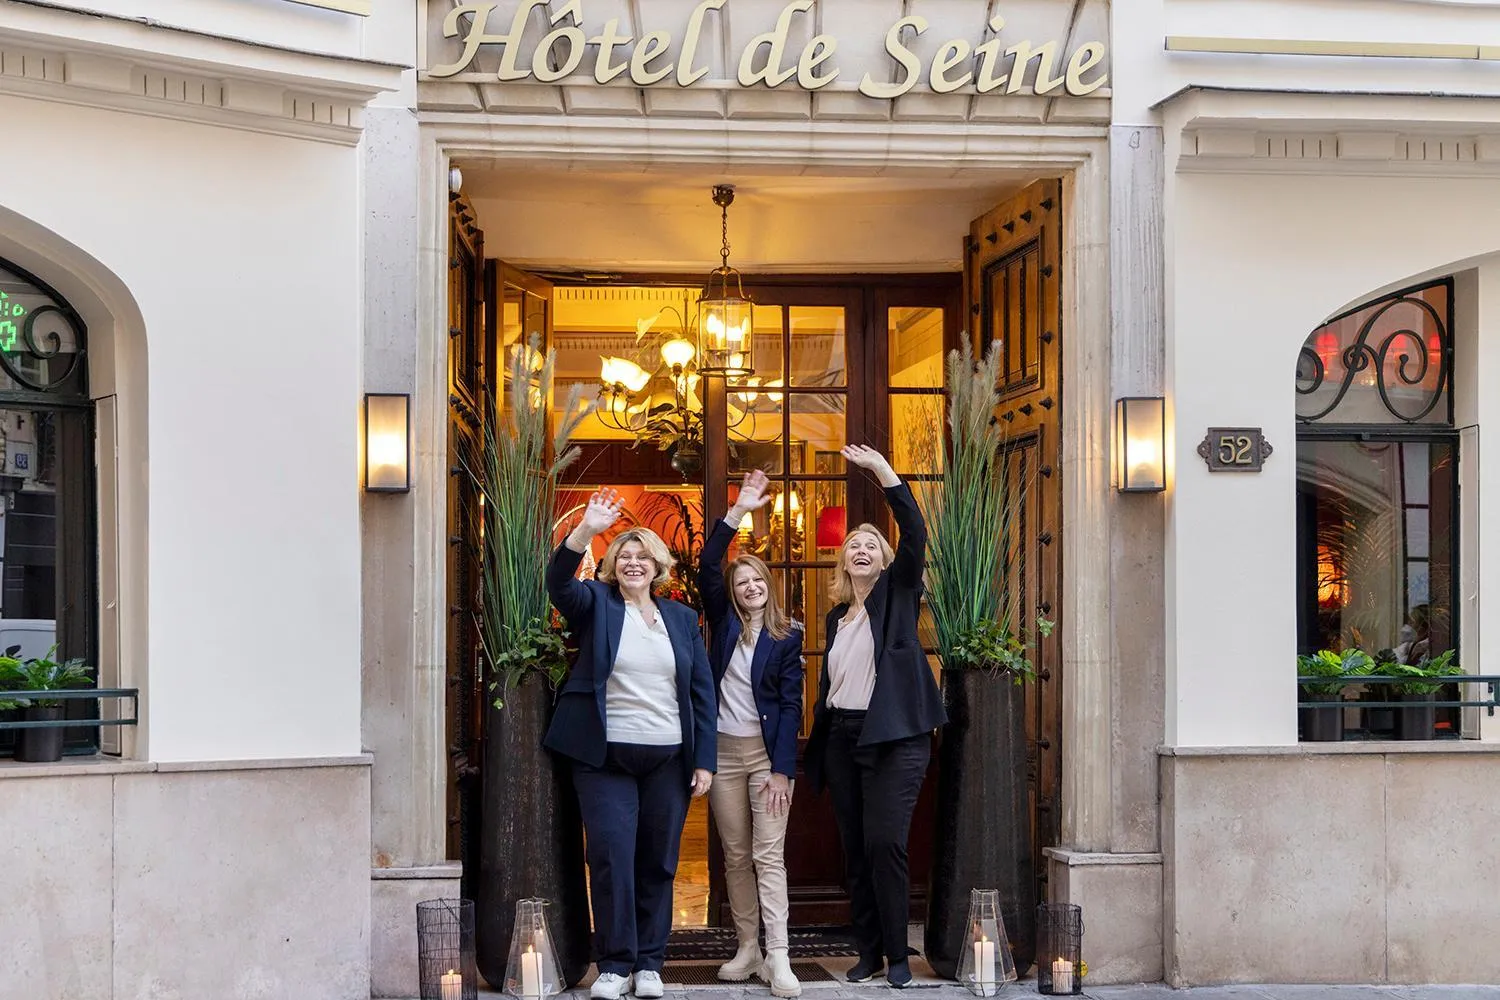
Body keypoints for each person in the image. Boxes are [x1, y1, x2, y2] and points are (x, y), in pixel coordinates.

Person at [544, 490, 718, 1000]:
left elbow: (701, 694)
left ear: (657, 565)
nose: (634, 563)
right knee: (612, 856)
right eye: (625, 555)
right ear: (613, 567)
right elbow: (559, 585)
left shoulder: (683, 619)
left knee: (659, 861)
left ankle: (649, 964)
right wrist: (583, 531)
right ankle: (615, 965)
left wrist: (703, 759)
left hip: (668, 759)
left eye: (643, 556)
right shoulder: (596, 604)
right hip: (605, 758)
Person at [804, 445, 947, 989]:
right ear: (842, 561)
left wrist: (884, 474)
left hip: (895, 740)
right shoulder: (839, 617)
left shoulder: (899, 594)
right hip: (843, 739)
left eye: (871, 545)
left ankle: (899, 957)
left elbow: (914, 533)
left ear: (885, 560)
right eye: (852, 545)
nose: (861, 549)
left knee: (886, 843)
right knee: (856, 850)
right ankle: (867, 952)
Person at [698, 469, 805, 997]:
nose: (751, 587)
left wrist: (784, 770)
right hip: (721, 754)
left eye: (758, 580)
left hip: (766, 759)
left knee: (768, 855)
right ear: (734, 595)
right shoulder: (722, 624)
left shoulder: (787, 639)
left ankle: (779, 956)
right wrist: (738, 510)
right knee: (735, 854)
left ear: (769, 586)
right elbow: (705, 565)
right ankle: (748, 948)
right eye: (742, 584)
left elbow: (791, 707)